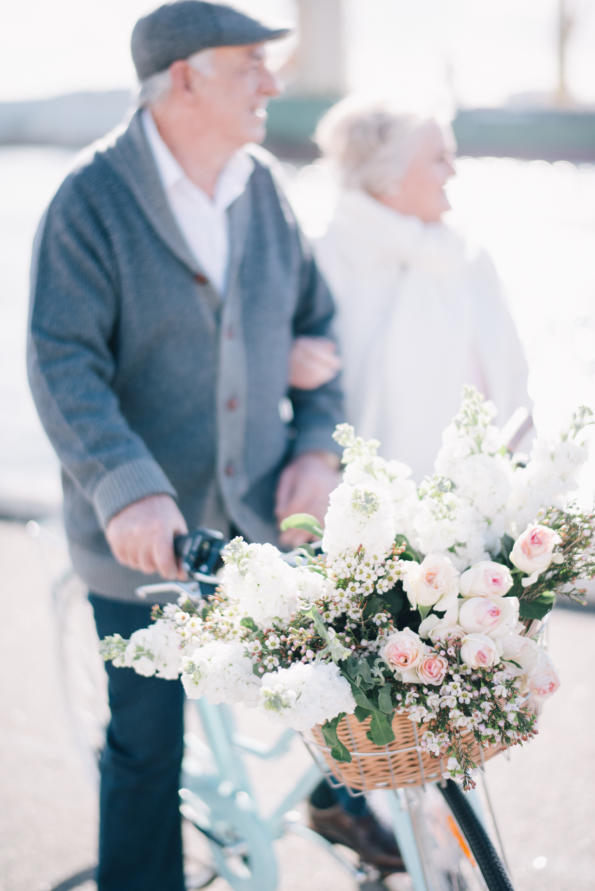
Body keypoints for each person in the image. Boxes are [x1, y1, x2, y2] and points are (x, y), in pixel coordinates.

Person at [27, 4, 402, 888]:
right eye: (249, 65)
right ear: (184, 77)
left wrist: (317, 449)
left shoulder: (261, 187)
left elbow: (318, 329)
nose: (273, 83)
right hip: (143, 545)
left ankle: (337, 802)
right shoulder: (91, 200)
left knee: (353, 676)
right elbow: (61, 361)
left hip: (262, 519)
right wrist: (126, 487)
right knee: (147, 747)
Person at [291, 96, 532, 477]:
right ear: (389, 176)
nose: (453, 171)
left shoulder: (467, 257)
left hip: (480, 509)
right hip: (359, 510)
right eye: (439, 159)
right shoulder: (322, 256)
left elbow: (516, 384)